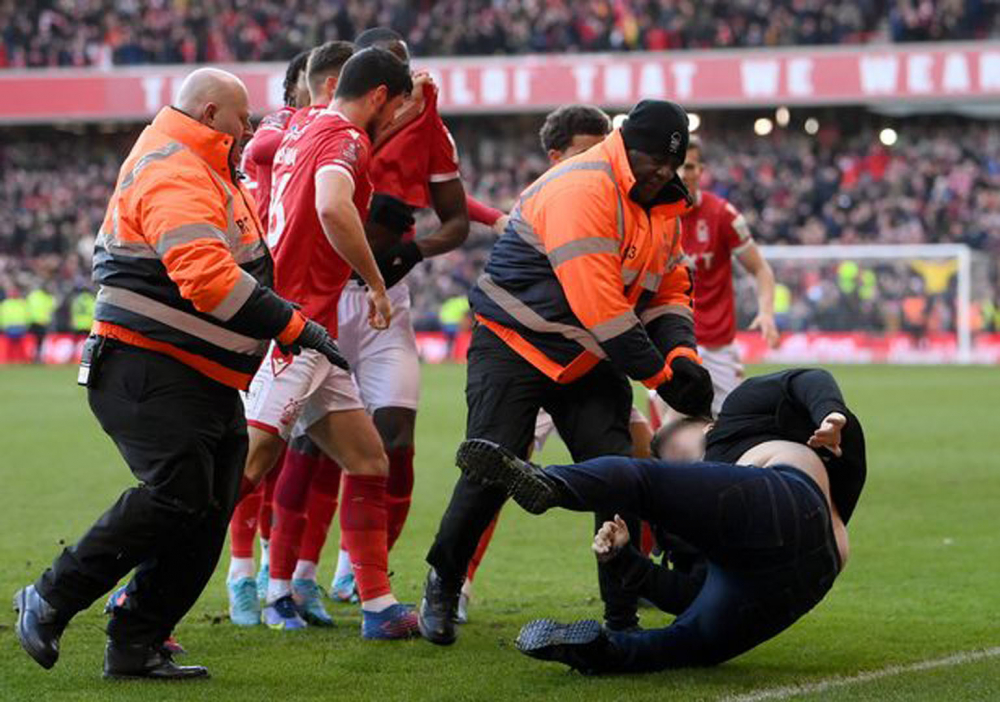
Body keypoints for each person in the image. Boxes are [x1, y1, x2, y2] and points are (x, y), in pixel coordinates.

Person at [12, 67, 345, 680]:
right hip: (146, 364)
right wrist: (293, 326)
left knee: (208, 507)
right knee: (178, 496)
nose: (249, 128)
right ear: (213, 114)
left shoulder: (207, 167)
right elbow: (208, 278)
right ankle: (51, 596)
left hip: (196, 373)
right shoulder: (174, 166)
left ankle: (137, 642)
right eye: (243, 118)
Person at [418, 99, 714, 646]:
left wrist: (683, 358)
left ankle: (621, 612)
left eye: (671, 167)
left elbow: (668, 290)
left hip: (586, 354)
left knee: (621, 474)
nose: (663, 175)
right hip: (514, 340)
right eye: (653, 163)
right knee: (491, 464)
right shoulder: (582, 188)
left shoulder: (664, 203)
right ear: (625, 146)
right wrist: (661, 379)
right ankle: (444, 578)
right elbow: (600, 306)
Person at [454, 367, 865, 674]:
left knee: (640, 480)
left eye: (684, 456)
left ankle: (549, 483)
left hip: (787, 503)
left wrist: (830, 415)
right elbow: (688, 594)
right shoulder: (695, 523)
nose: (686, 471)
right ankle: (597, 652)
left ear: (710, 426)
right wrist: (624, 560)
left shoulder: (741, 414)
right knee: (686, 643)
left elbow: (808, 379)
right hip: (804, 578)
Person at [238, 47, 420, 639]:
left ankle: (377, 606)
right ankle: (141, 582)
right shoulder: (347, 137)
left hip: (316, 334)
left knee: (369, 460)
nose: (393, 120)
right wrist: (373, 282)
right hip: (293, 329)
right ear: (377, 97)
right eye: (395, 108)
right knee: (246, 467)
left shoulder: (296, 125)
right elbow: (331, 204)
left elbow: (258, 161)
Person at [326, 27, 506, 603]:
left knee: (395, 433)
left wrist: (413, 249)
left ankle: (359, 570)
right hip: (323, 296)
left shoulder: (428, 125)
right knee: (298, 446)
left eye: (403, 74)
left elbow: (452, 215)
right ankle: (277, 577)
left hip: (386, 303)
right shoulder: (328, 124)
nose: (400, 88)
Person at [459, 104, 657, 626]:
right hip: (529, 353)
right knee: (496, 469)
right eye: (587, 150)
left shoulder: (617, 201)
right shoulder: (561, 199)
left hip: (585, 359)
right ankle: (456, 581)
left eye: (604, 148)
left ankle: (634, 584)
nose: (600, 160)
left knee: (632, 458)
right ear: (555, 156)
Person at [225, 42, 355, 629]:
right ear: (305, 85)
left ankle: (299, 577)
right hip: (268, 301)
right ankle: (242, 573)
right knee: (259, 453)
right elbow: (261, 146)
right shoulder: (283, 128)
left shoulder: (333, 137)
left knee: (321, 454)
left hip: (326, 309)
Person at [650, 135, 779, 422]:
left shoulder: (723, 215)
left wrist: (767, 313)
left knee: (731, 431)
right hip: (668, 342)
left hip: (717, 347)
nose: (685, 173)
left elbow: (761, 269)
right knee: (663, 437)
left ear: (701, 171)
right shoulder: (652, 215)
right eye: (679, 165)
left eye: (692, 166)